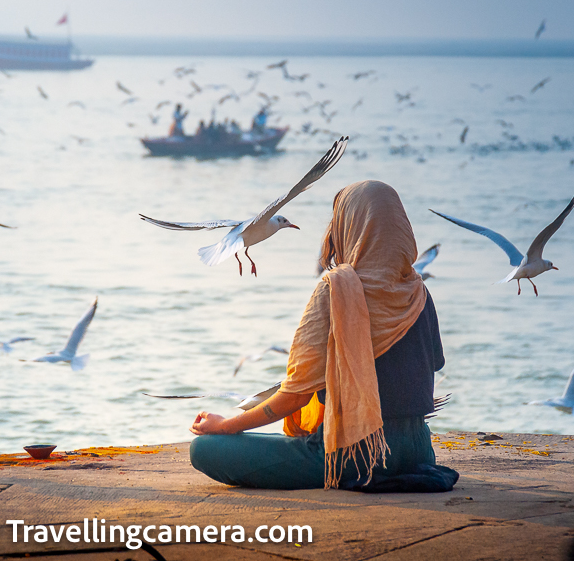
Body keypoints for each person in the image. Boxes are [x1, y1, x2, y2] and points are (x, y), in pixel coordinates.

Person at [189, 180, 459, 492]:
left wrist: (224, 426)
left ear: (347, 226)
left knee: (205, 450)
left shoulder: (338, 288)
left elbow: (295, 396)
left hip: (353, 454)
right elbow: (431, 368)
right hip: (418, 453)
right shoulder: (419, 292)